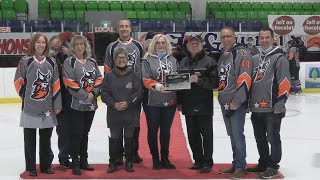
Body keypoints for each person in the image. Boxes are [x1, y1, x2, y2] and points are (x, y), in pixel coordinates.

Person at [14, 33, 62, 176]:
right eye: (38, 42)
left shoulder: (52, 62)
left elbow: (56, 84)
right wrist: (27, 98)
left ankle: (45, 166)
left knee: (45, 139)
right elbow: (18, 82)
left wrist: (57, 104)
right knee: (29, 140)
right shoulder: (25, 61)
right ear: (33, 44)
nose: (41, 45)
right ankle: (31, 167)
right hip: (29, 107)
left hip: (47, 107)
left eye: (43, 42)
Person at [246, 27, 291, 179]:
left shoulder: (280, 58)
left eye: (267, 37)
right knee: (260, 138)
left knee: (273, 138)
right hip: (256, 108)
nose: (264, 40)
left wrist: (280, 103)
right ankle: (263, 162)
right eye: (262, 38)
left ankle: (273, 165)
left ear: (273, 39)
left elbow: (285, 82)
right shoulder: (254, 58)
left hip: (272, 108)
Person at [104, 18, 144, 164]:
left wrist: (139, 91)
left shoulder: (139, 46)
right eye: (121, 26)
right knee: (116, 127)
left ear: (130, 28)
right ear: (118, 29)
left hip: (134, 93)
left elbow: (143, 68)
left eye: (126, 26)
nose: (124, 29)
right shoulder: (111, 46)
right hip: (116, 94)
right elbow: (108, 70)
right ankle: (117, 156)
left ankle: (133, 153)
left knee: (134, 124)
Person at [177, 35, 218, 173]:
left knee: (206, 135)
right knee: (192, 135)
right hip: (188, 104)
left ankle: (207, 162)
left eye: (197, 43)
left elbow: (215, 83)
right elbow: (178, 84)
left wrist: (199, 81)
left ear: (202, 46)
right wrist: (179, 101)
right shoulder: (182, 62)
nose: (194, 45)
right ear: (187, 46)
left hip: (204, 105)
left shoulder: (210, 62)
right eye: (192, 43)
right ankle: (198, 160)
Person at [63, 35, 102, 175]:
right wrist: (85, 95)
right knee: (76, 133)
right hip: (76, 104)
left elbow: (98, 77)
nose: (80, 47)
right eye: (77, 44)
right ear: (72, 47)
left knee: (85, 133)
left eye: (82, 44)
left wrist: (94, 93)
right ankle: (75, 163)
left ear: (86, 46)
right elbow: (69, 82)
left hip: (91, 104)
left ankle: (84, 161)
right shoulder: (70, 62)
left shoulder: (92, 61)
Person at [217, 27, 252, 179]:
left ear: (235, 37)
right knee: (232, 134)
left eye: (229, 36)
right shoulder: (224, 54)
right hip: (225, 102)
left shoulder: (241, 53)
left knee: (237, 134)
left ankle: (240, 166)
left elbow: (245, 78)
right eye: (223, 37)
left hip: (235, 103)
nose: (226, 39)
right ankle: (236, 162)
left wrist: (237, 101)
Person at [101, 47, 142, 173]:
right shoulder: (108, 76)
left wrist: (128, 103)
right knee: (115, 138)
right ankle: (113, 162)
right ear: (114, 60)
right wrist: (113, 104)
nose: (121, 60)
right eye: (119, 58)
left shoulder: (134, 75)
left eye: (123, 58)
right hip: (114, 113)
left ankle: (129, 162)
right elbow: (104, 94)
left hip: (130, 113)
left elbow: (138, 93)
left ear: (127, 59)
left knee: (129, 137)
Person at [142, 34, 179, 170]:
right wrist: (158, 86)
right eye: (158, 43)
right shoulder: (147, 60)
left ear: (167, 44)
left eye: (163, 42)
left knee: (165, 131)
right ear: (154, 45)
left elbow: (177, 79)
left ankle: (165, 158)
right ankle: (155, 158)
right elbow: (145, 79)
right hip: (152, 102)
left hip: (169, 101)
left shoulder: (174, 60)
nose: (161, 45)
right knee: (152, 130)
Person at [48, 35, 72, 168]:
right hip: (48, 100)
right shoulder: (46, 59)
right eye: (54, 44)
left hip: (63, 100)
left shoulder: (65, 57)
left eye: (59, 44)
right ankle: (47, 159)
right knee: (46, 132)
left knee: (63, 131)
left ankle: (63, 157)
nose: (56, 46)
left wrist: (68, 55)